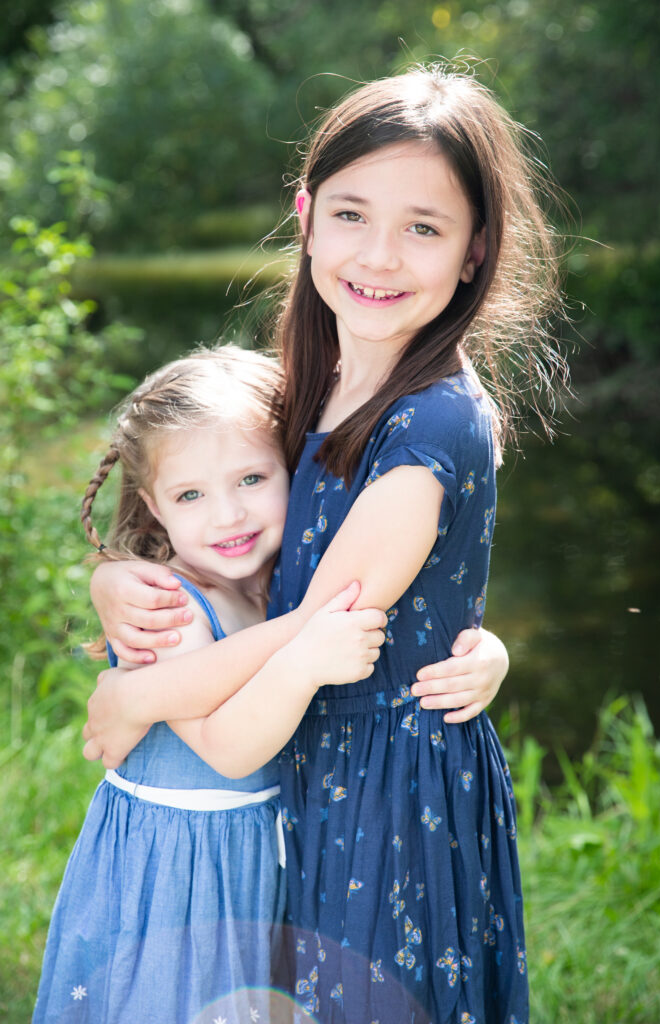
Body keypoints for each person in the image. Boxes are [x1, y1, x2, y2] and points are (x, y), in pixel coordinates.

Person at [84, 62, 565, 1022]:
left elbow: (320, 621)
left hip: (382, 791)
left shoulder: (430, 432)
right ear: (304, 216)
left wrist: (131, 690)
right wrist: (121, 583)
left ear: (476, 249)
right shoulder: (312, 376)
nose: (378, 257)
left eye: (423, 228)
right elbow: (209, 513)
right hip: (306, 768)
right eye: (350, 215)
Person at [33, 346, 387, 1024]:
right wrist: (306, 654)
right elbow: (230, 751)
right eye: (191, 494)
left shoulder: (284, 584)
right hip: (175, 872)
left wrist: (488, 654)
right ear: (154, 508)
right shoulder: (166, 606)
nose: (226, 515)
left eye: (252, 478)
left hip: (251, 858)